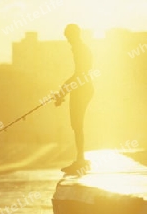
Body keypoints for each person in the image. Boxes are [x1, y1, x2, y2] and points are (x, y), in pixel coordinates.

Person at [54, 24, 94, 174]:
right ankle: (80, 159)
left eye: (68, 37)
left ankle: (81, 160)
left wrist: (62, 92)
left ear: (74, 35)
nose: (68, 41)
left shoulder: (79, 49)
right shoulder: (81, 49)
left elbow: (79, 74)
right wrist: (63, 92)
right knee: (76, 125)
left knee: (77, 125)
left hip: (82, 89)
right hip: (82, 88)